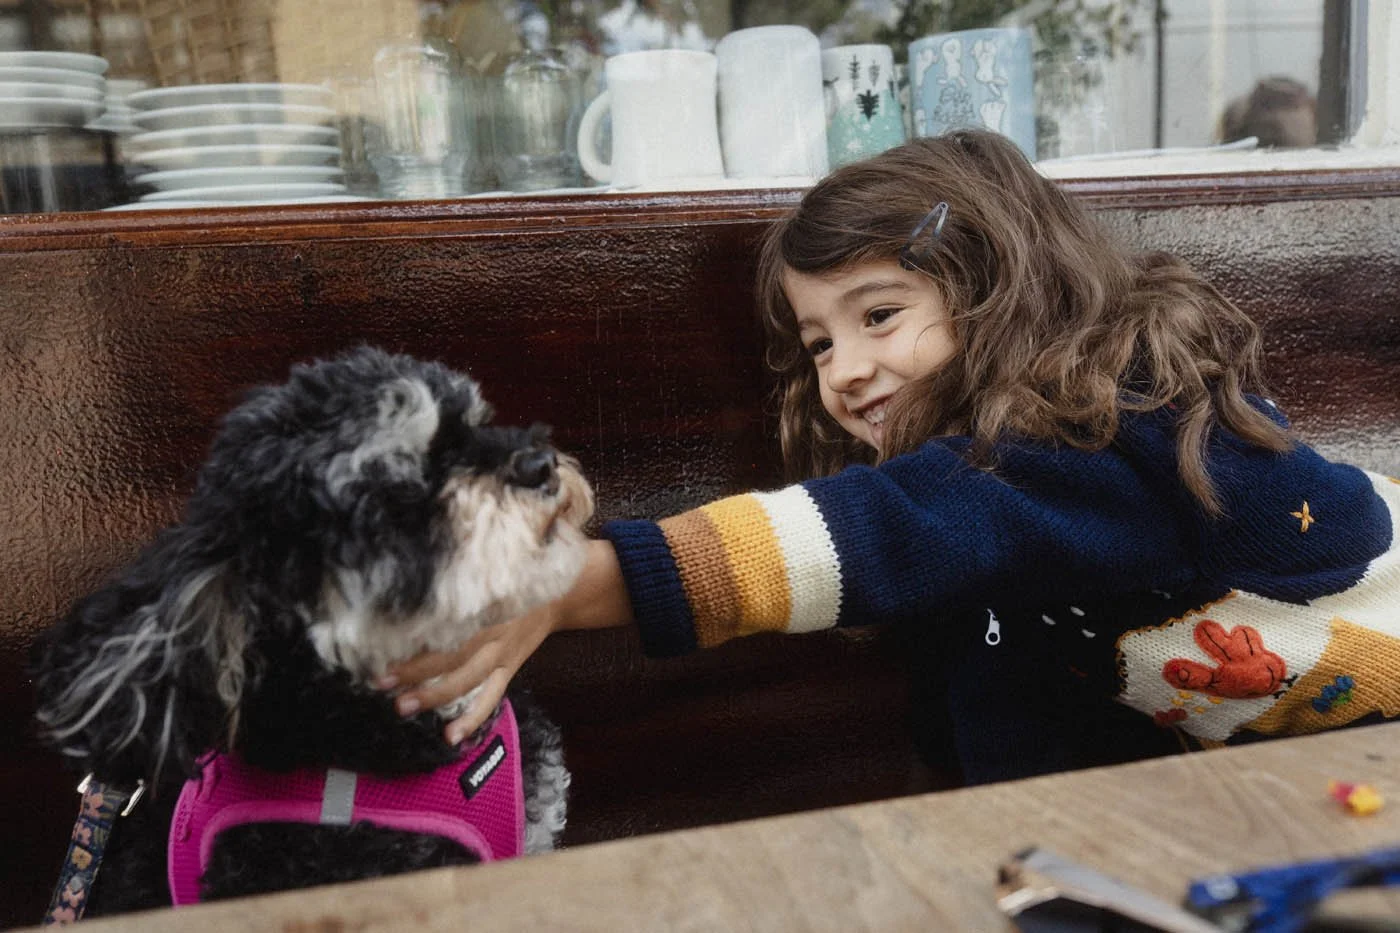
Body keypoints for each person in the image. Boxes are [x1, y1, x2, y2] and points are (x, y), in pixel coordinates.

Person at [382, 130, 1399, 784]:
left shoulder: (1113, 433)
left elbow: (890, 526)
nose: (847, 370)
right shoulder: (994, 515)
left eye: (879, 316)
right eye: (820, 342)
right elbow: (1000, 698)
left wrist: (573, 584)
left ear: (1008, 294)